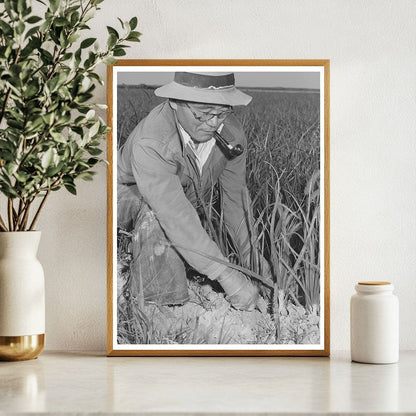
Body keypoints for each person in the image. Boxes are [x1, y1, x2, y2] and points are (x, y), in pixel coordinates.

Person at [117, 71, 263, 311]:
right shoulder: (153, 141)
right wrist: (228, 277)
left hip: (176, 200)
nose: (214, 122)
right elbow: (174, 214)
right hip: (123, 197)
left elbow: (235, 200)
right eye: (203, 113)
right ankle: (157, 307)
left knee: (184, 225)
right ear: (174, 102)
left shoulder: (231, 135)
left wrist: (252, 258)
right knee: (156, 217)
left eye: (223, 112)